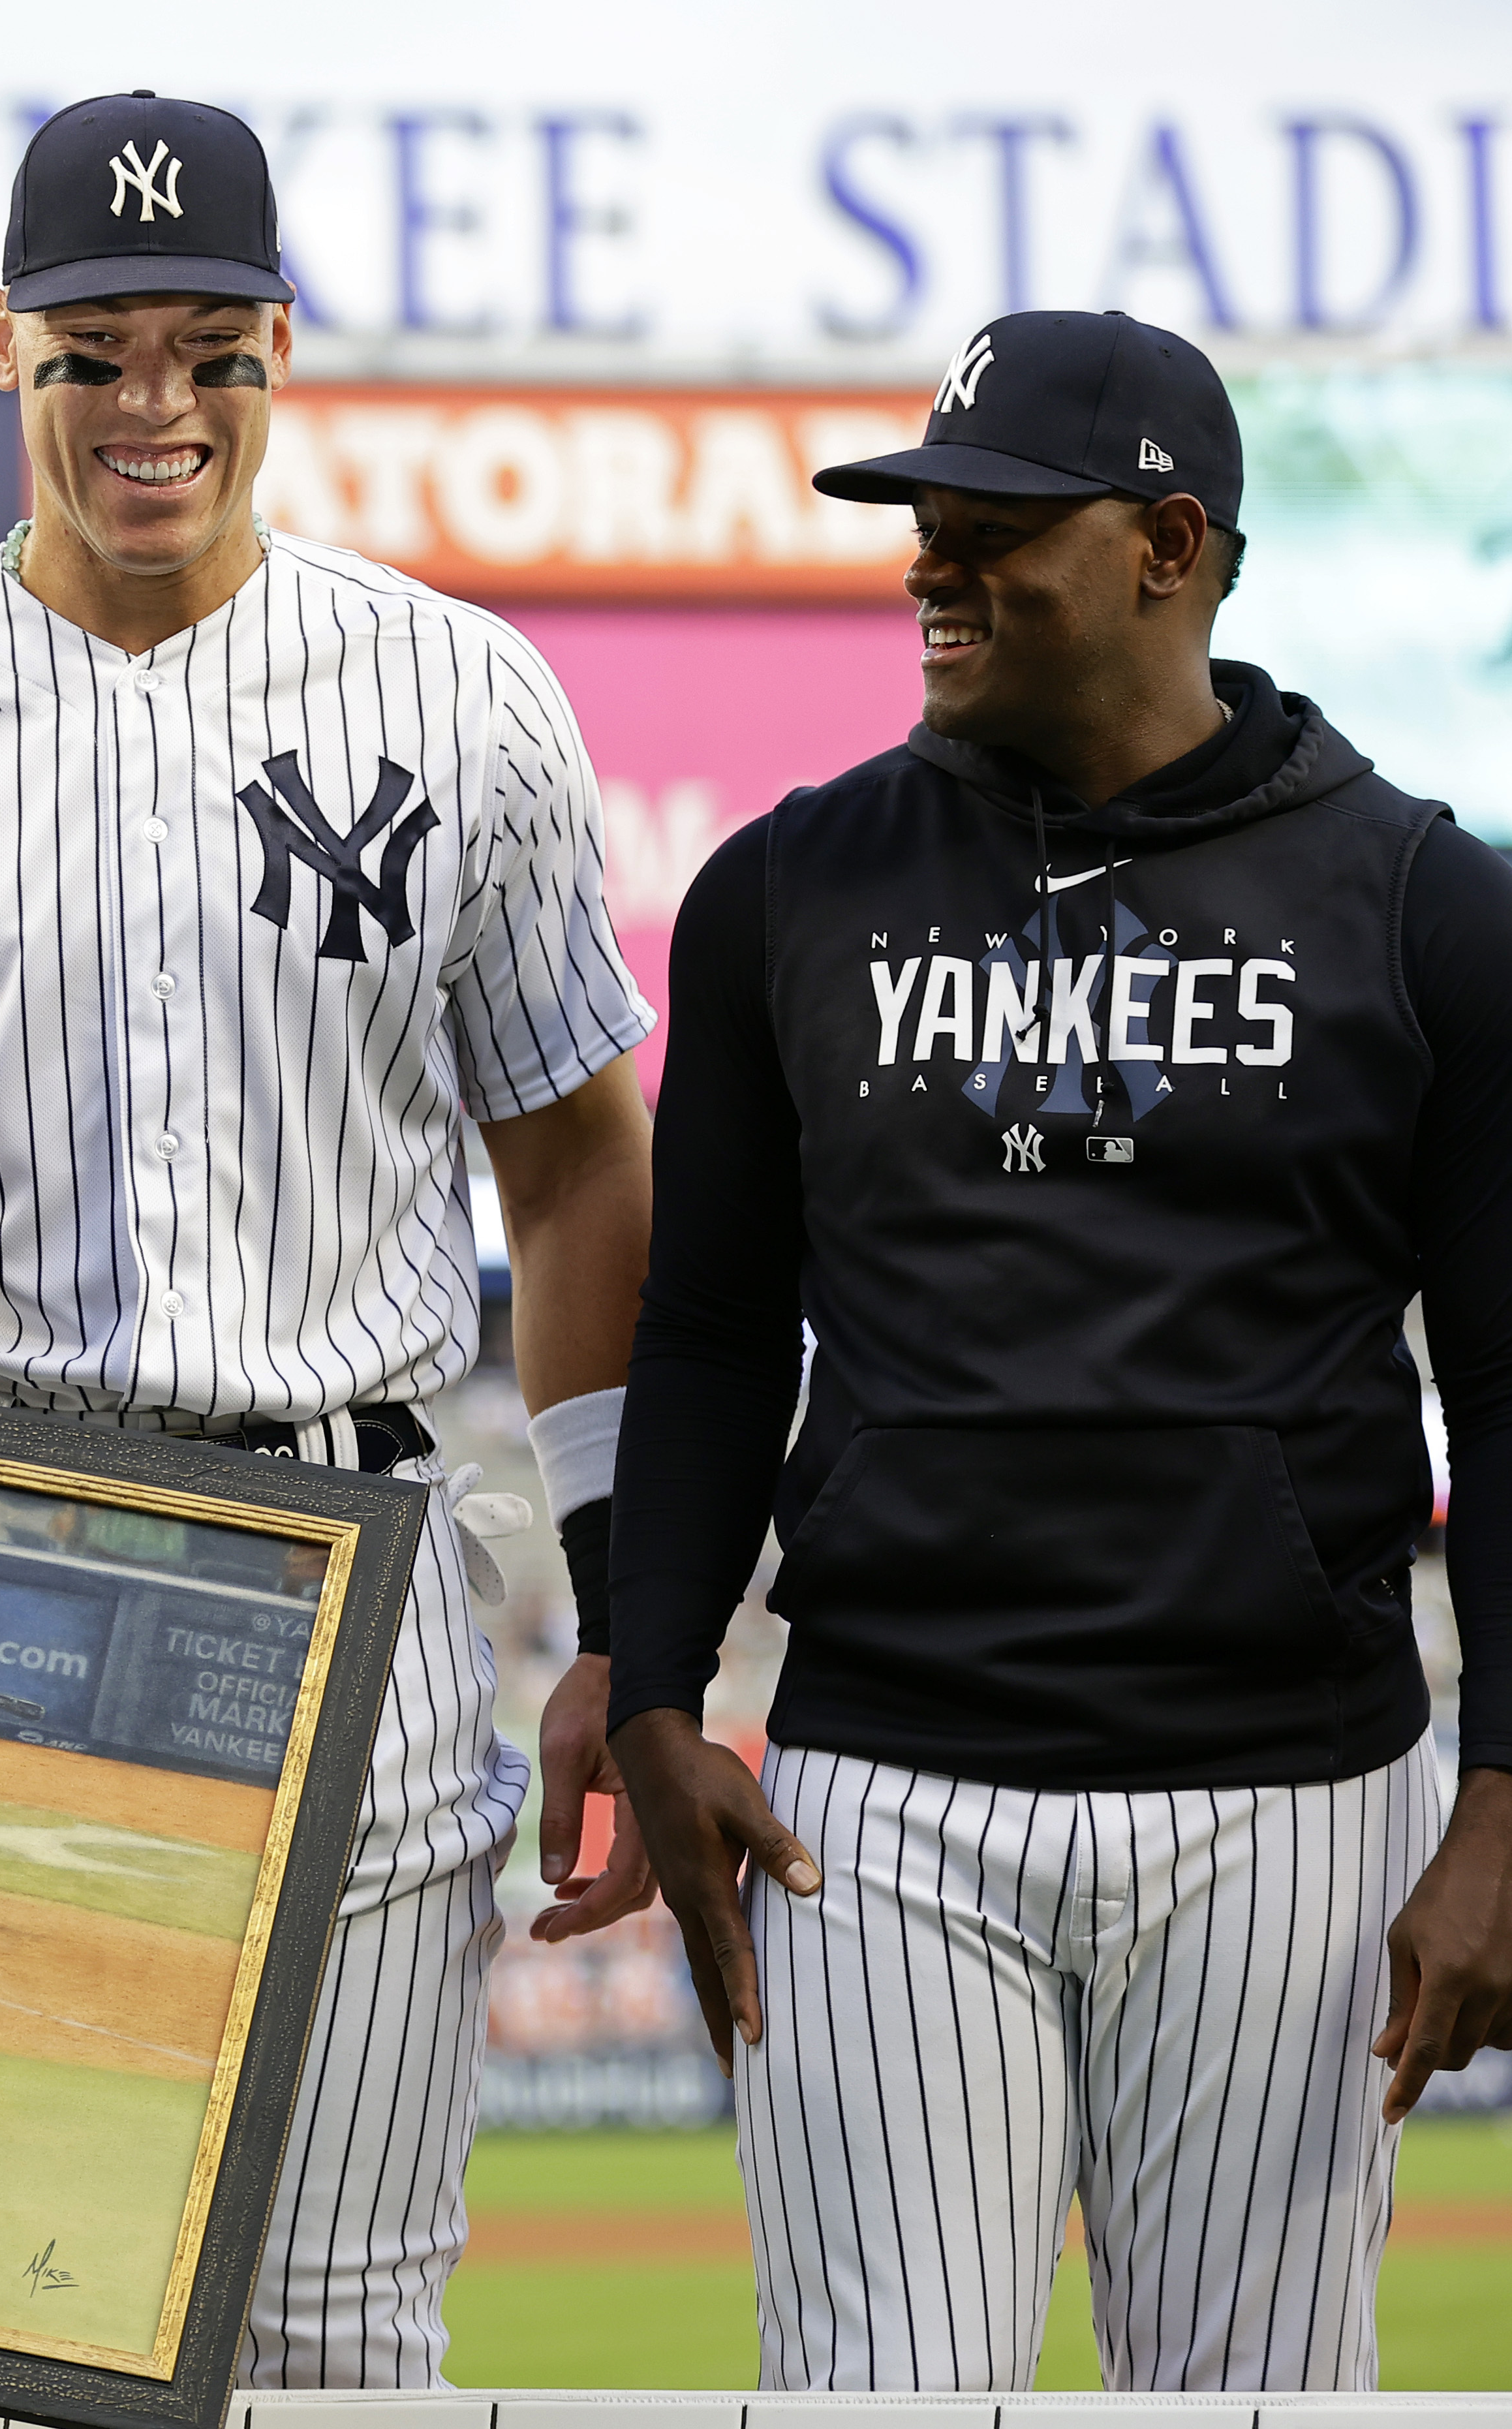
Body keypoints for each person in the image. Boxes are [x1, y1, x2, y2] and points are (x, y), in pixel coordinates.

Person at [0, 92, 656, 2382]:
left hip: (343, 1532)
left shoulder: (460, 695)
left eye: (211, 353)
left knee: (336, 2344)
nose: (157, 411)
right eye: (96, 353)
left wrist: (626, 1607)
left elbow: (571, 1170)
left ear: (280, 349)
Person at [607, 308, 1512, 2393]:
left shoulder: (1420, 908)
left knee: (1251, 2398)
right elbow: (717, 1327)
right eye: (923, 518)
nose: (932, 564)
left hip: (1290, 1796)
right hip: (882, 1792)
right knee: (875, 2394)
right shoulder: (779, 889)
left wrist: (1507, 1797)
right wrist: (653, 1679)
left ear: (1167, 547)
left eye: (993, 524)